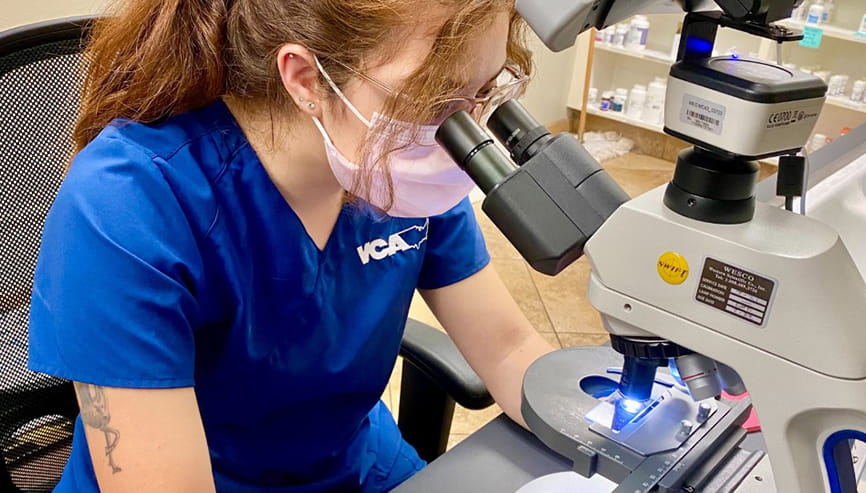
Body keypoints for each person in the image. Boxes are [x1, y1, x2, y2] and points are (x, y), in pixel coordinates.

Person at [28, 0, 556, 491]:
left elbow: (508, 348)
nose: (463, 132)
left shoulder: (405, 174)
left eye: (484, 92)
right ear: (306, 79)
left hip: (356, 465)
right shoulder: (130, 202)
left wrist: (606, 438)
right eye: (435, 99)